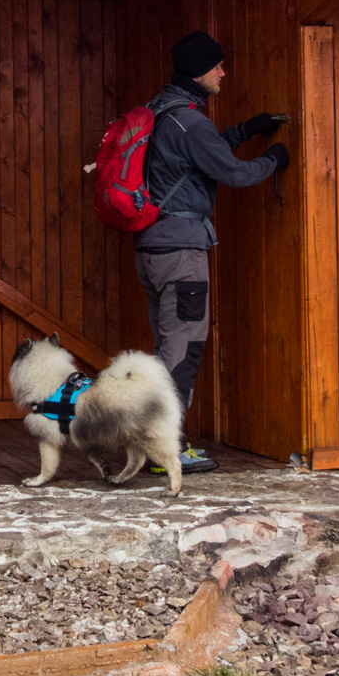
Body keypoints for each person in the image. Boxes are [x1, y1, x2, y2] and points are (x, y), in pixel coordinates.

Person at [137, 30, 289, 474]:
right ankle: (167, 450)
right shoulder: (192, 122)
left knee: (168, 346)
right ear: (200, 71)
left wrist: (246, 130)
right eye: (217, 65)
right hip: (182, 250)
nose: (224, 72)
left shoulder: (161, 110)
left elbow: (191, 157)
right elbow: (235, 175)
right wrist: (276, 158)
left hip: (151, 246)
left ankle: (153, 443)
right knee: (184, 350)